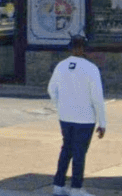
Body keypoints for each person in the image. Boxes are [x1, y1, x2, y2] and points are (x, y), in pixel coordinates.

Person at [47, 35, 107, 196]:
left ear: (70, 48)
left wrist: (60, 105)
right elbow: (97, 97)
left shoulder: (61, 66)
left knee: (66, 149)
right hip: (85, 118)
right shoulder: (91, 68)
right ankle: (76, 188)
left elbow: (51, 89)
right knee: (79, 152)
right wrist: (102, 122)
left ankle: (58, 185)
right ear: (84, 49)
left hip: (65, 116)